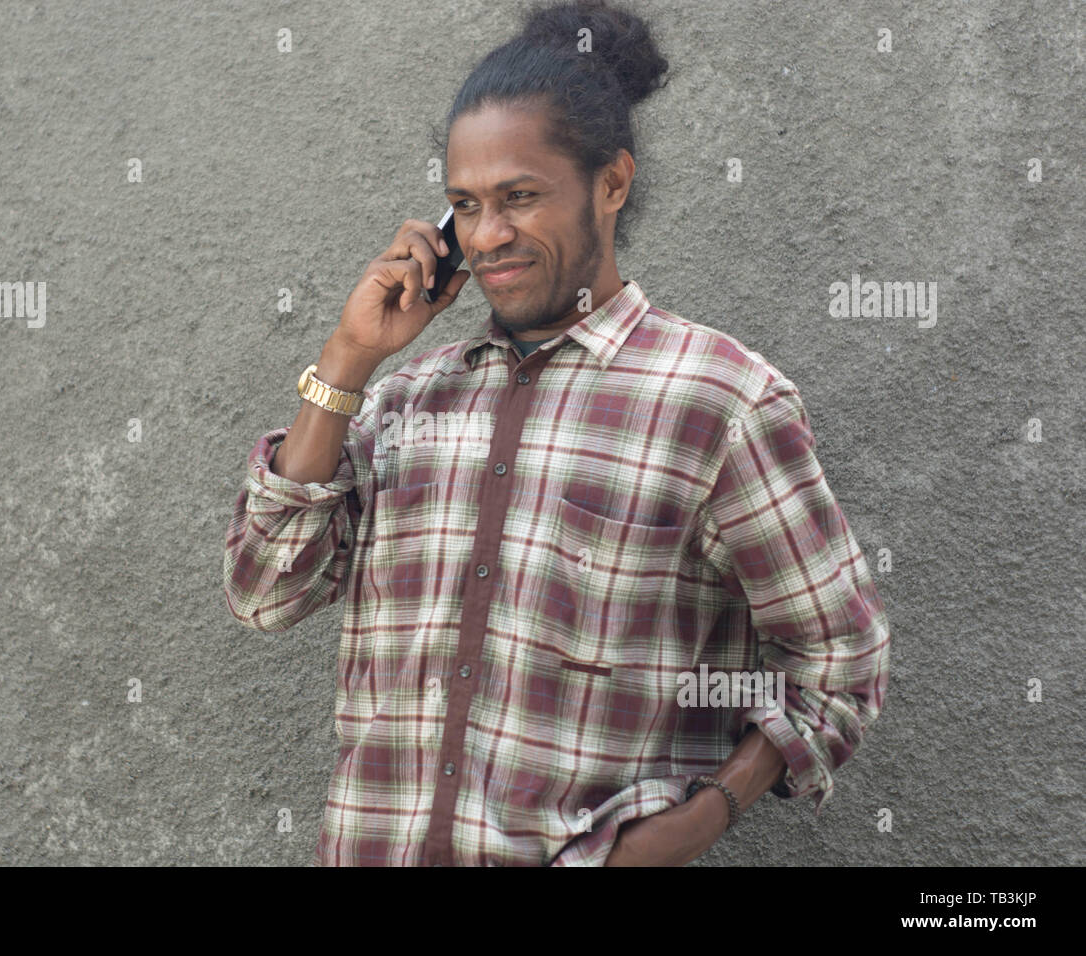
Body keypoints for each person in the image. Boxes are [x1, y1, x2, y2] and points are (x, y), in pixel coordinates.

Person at [223, 0, 890, 866]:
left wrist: (708, 813)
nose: (488, 234)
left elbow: (840, 660)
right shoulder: (403, 402)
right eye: (464, 203)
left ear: (611, 183)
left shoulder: (719, 403)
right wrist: (347, 361)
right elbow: (265, 594)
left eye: (520, 196)